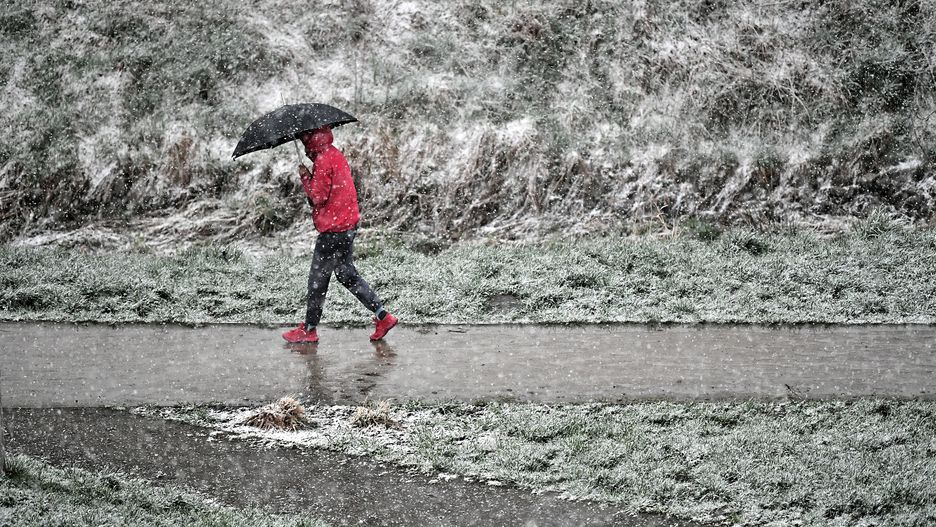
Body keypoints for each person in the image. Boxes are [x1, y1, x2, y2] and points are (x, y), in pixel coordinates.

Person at [282, 126, 398, 343]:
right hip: (347, 225)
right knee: (347, 275)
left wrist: (306, 178)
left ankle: (309, 330)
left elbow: (318, 197)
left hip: (333, 230)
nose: (303, 143)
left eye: (303, 137)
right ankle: (383, 316)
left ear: (310, 139)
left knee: (318, 281)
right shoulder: (334, 154)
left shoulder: (323, 160)